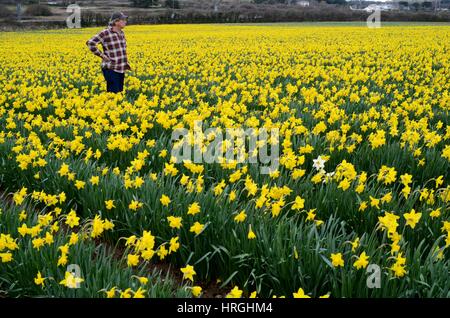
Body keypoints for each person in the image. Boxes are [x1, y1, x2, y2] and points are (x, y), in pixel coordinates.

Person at [86, 12, 131, 93]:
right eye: (123, 20)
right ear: (116, 22)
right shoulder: (105, 33)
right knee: (113, 95)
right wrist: (102, 56)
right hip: (111, 68)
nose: (125, 21)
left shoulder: (122, 33)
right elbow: (90, 43)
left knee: (119, 95)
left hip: (121, 68)